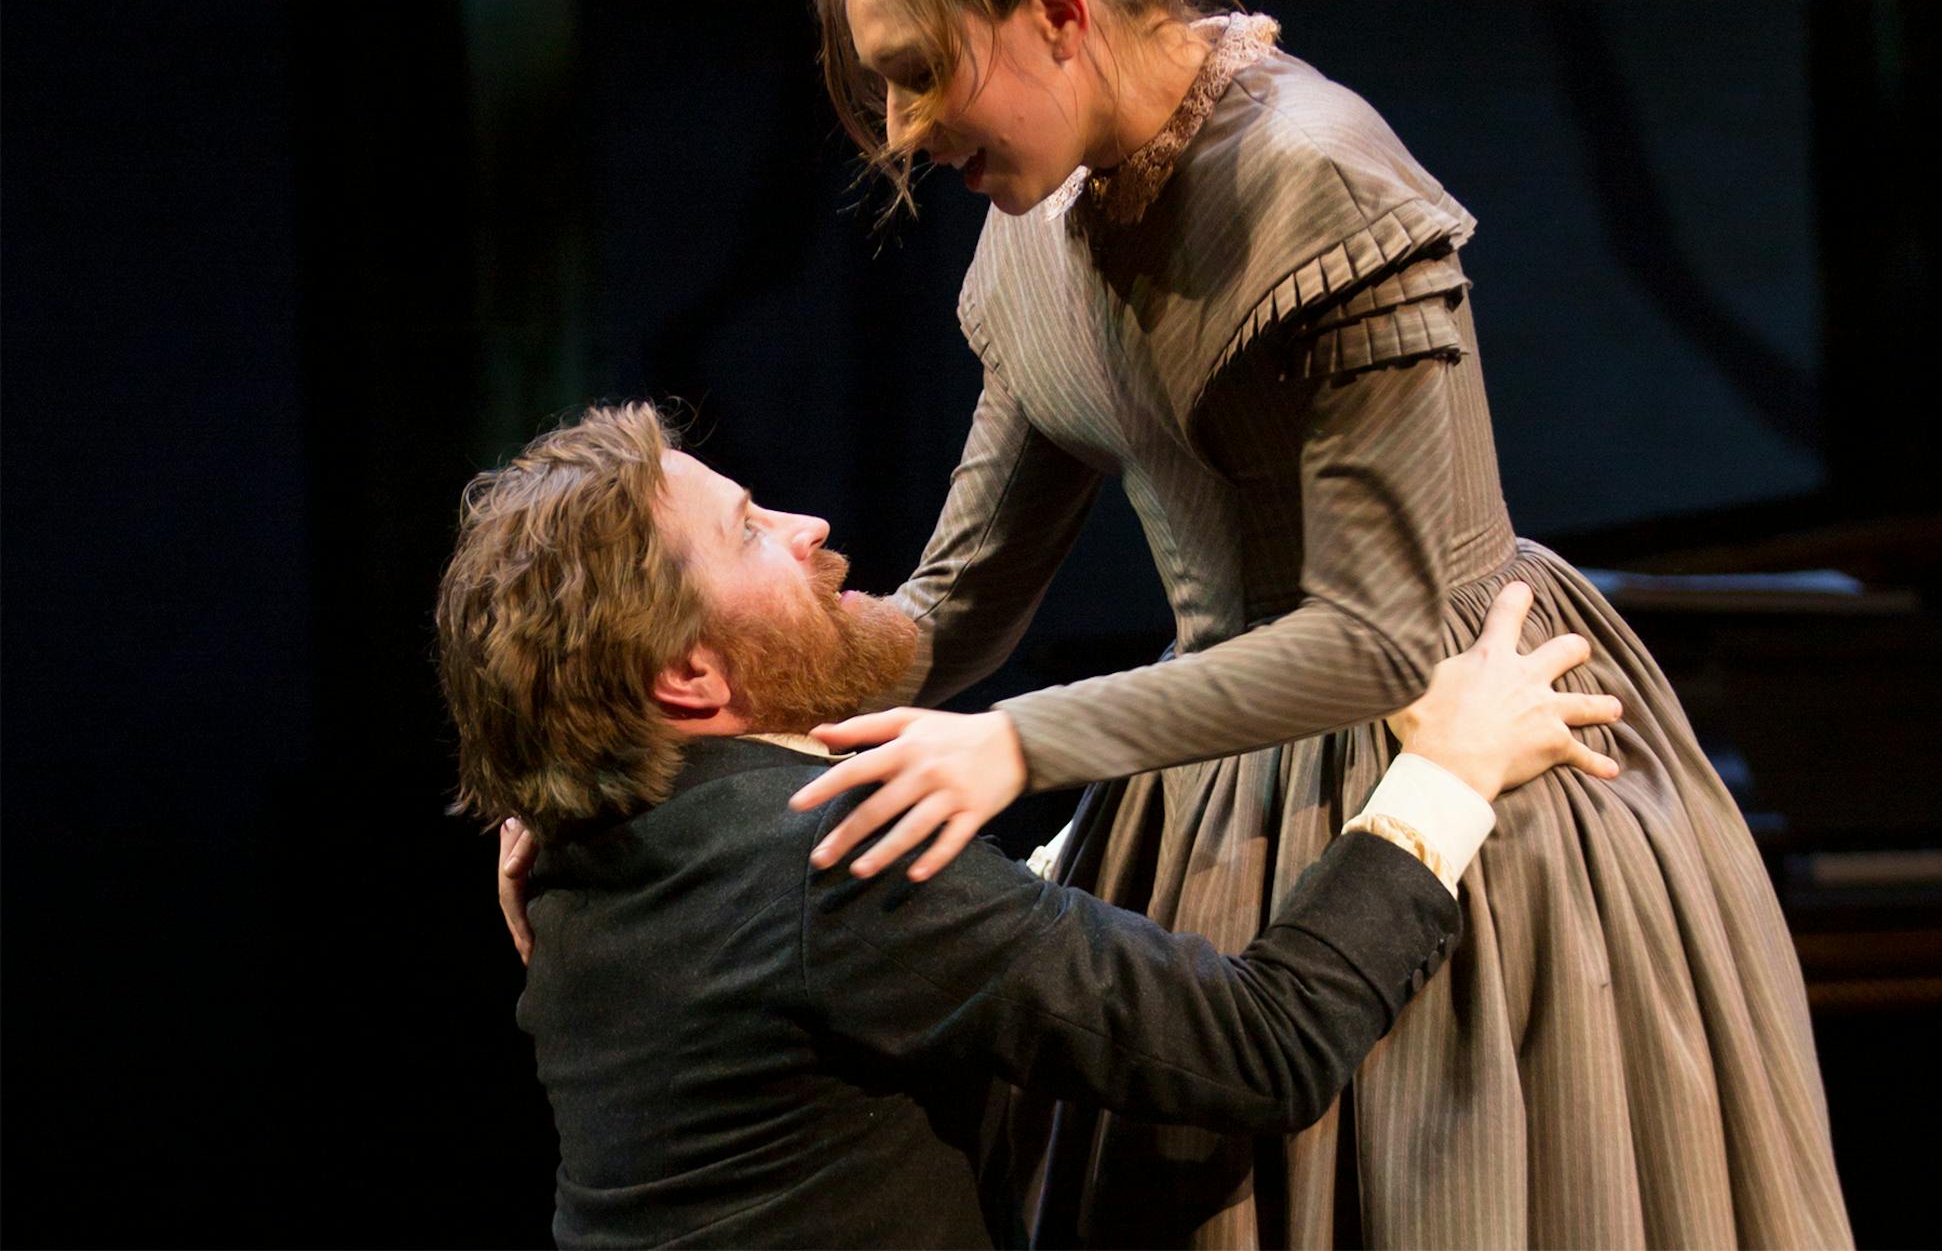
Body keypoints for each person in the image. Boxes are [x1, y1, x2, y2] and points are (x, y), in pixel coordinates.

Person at [795, 0, 1855, 1248]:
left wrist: (1023, 741)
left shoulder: (1318, 178)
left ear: (1054, 14)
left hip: (1466, 753)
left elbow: (1379, 633)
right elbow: (952, 604)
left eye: (923, 75)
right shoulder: (1042, 220)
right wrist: (646, 748)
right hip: (1212, 778)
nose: (909, 131)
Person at [443, 403, 1621, 1249]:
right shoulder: (830, 859)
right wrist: (1452, 769)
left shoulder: (579, 851)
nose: (808, 525)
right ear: (692, 678)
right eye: (750, 529)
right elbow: (1264, 1044)